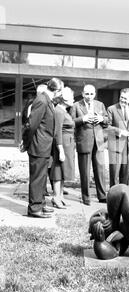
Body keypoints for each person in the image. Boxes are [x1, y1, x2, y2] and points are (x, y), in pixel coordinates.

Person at [26, 77, 64, 218]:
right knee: (37, 178)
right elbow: (31, 125)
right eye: (61, 91)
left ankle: (40, 204)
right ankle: (34, 208)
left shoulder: (47, 99)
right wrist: (26, 142)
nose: (61, 94)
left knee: (41, 177)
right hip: (38, 146)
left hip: (43, 146)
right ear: (57, 90)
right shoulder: (42, 100)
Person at [72, 84, 109, 206]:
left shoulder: (100, 105)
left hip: (98, 142)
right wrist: (83, 119)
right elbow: (71, 123)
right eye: (87, 94)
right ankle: (86, 198)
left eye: (91, 94)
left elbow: (108, 121)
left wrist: (101, 119)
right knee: (85, 172)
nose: (89, 96)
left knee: (100, 170)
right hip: (84, 142)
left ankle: (102, 196)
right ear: (82, 94)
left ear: (95, 94)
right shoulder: (76, 106)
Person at [107, 88, 129, 187]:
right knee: (115, 174)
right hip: (116, 145)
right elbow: (106, 126)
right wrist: (120, 132)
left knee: (125, 174)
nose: (123, 100)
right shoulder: (111, 109)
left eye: (126, 98)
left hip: (128, 146)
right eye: (121, 97)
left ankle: (124, 195)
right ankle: (114, 197)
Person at [50, 87, 75, 209]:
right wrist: (60, 150)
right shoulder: (59, 111)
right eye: (71, 97)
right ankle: (56, 197)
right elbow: (57, 132)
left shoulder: (64, 110)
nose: (73, 99)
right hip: (63, 144)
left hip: (68, 144)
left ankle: (61, 196)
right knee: (58, 170)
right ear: (64, 98)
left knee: (63, 171)